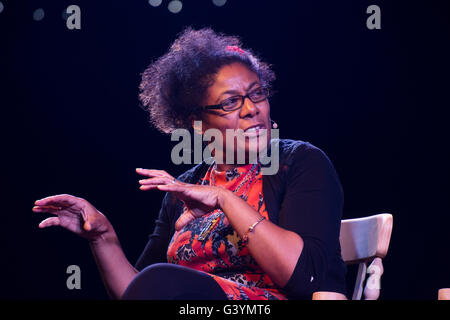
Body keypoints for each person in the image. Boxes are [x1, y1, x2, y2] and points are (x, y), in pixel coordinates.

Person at [32, 27, 347, 300]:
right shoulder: (185, 188)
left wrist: (225, 199)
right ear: (198, 123)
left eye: (257, 94)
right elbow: (140, 291)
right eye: (230, 102)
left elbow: (306, 277)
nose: (252, 109)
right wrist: (104, 237)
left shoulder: (299, 163)